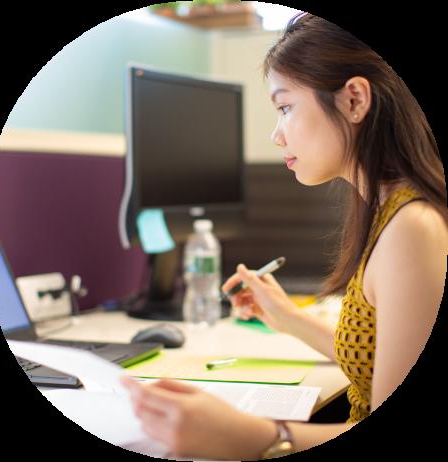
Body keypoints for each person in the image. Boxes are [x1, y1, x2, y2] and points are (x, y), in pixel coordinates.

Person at [121, 12, 447, 459]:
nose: (277, 135)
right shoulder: (389, 213)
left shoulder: (413, 227)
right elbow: (379, 354)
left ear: (354, 100)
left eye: (285, 107)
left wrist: (254, 435)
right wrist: (287, 316)